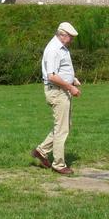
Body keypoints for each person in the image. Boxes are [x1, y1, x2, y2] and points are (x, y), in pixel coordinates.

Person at [32, 21, 80, 176]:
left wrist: (72, 79)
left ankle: (42, 150)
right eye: (70, 37)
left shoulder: (61, 48)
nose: (71, 40)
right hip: (57, 91)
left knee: (64, 125)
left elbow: (61, 70)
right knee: (62, 128)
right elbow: (52, 76)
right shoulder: (53, 49)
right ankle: (59, 164)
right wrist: (70, 87)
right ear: (62, 34)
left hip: (61, 89)